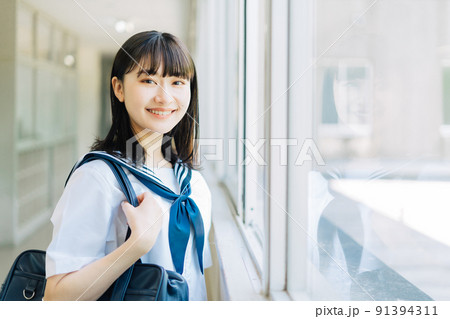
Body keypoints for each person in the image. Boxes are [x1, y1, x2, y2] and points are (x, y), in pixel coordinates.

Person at [43, 31, 212, 301]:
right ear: (119, 88)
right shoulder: (97, 177)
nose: (165, 97)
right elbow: (56, 297)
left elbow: (194, 278)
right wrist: (136, 246)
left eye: (177, 81)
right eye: (148, 80)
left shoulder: (193, 184)